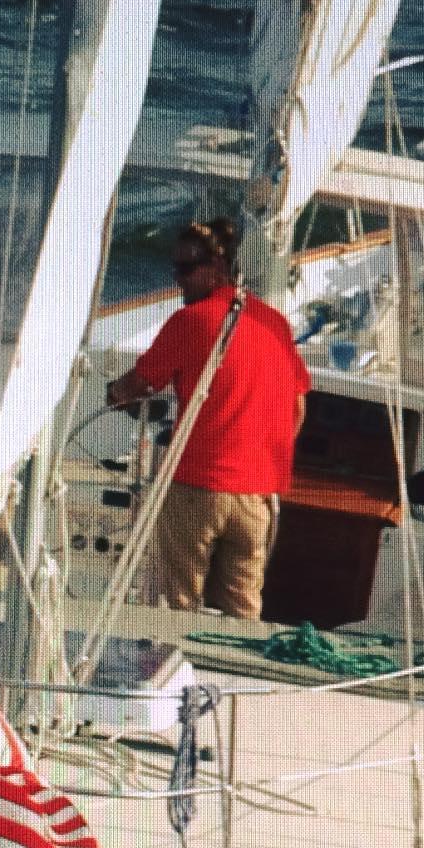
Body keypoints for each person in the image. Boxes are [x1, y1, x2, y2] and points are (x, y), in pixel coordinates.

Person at [104, 218, 310, 620]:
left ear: (217, 269)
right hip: (256, 500)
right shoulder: (275, 324)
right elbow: (297, 408)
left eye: (185, 270)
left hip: (197, 489)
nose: (177, 281)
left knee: (177, 611)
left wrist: (113, 393)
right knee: (241, 615)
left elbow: (136, 386)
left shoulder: (189, 322)